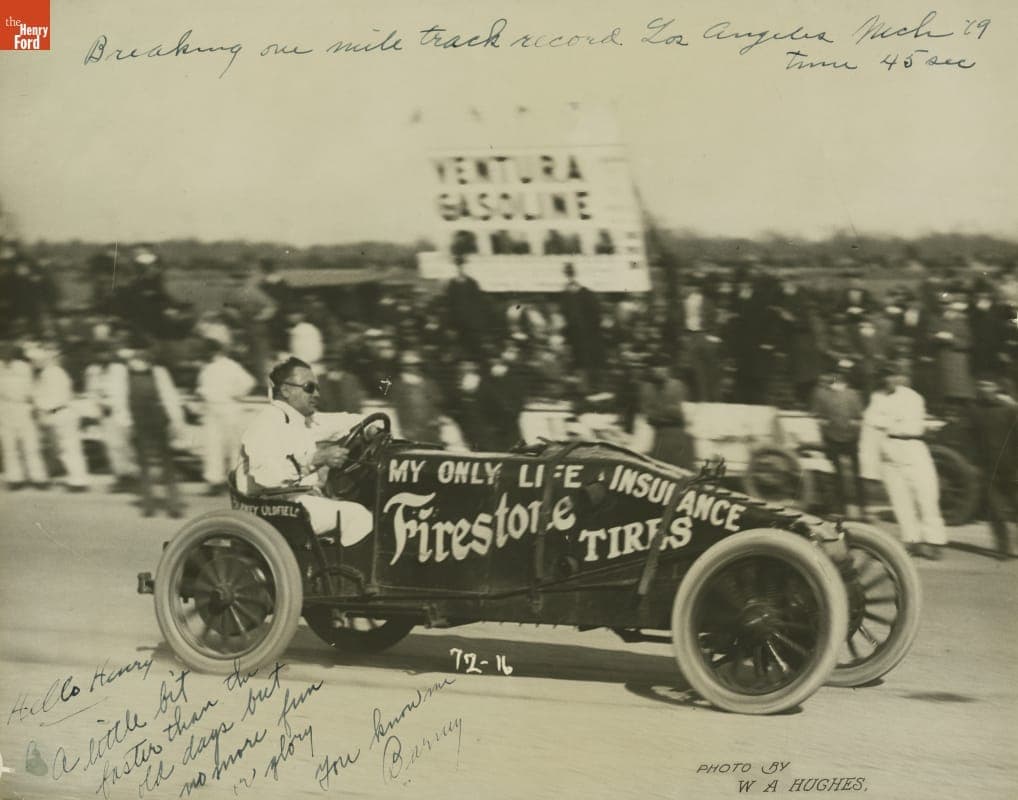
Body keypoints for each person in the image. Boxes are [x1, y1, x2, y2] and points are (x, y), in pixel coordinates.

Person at [235, 357, 373, 544]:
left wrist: (369, 426)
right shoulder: (267, 422)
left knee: (364, 505)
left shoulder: (301, 419)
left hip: (294, 502)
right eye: (309, 388)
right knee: (358, 515)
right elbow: (265, 476)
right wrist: (316, 459)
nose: (316, 394)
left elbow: (341, 421)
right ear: (285, 390)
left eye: (317, 388)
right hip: (273, 507)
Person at [863, 363, 947, 559]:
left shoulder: (913, 398)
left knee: (926, 496)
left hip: (913, 447)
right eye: (885, 376)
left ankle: (934, 541)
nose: (889, 380)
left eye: (892, 376)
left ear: (899, 377)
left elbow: (910, 424)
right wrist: (869, 470)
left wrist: (886, 422)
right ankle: (912, 540)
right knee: (900, 500)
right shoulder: (876, 399)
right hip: (890, 452)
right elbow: (870, 428)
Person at [126, 340, 186, 517]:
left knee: (166, 463)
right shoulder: (125, 375)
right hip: (138, 421)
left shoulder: (159, 373)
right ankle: (148, 504)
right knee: (144, 463)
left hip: (158, 420)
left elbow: (169, 397)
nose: (139, 361)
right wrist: (127, 422)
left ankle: (173, 504)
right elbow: (122, 399)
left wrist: (176, 420)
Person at [196, 341, 256, 495]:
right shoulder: (220, 367)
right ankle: (225, 481)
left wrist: (235, 394)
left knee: (223, 446)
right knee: (223, 447)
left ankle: (225, 482)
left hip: (223, 408)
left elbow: (249, 382)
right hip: (221, 408)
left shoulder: (221, 367)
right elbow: (248, 383)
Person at [968, 379, 1018, 559]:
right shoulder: (975, 411)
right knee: (996, 511)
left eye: (988, 385)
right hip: (988, 468)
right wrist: (974, 462)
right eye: (980, 385)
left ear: (996, 387)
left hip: (1010, 467)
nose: (984, 389)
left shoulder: (1009, 410)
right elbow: (971, 437)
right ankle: (1003, 549)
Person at [810, 368, 867, 518]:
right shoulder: (822, 394)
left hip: (851, 439)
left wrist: (854, 427)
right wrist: (826, 426)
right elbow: (817, 416)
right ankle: (840, 510)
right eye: (836, 375)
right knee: (837, 475)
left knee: (856, 475)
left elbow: (859, 417)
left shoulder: (853, 394)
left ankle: (862, 509)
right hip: (831, 439)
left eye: (842, 375)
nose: (838, 378)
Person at [34, 346, 90, 492]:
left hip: (62, 412)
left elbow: (53, 397)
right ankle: (75, 478)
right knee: (65, 449)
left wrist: (40, 406)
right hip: (57, 413)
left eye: (38, 360)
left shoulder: (53, 373)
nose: (35, 363)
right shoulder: (50, 373)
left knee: (69, 447)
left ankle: (78, 481)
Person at [0, 341, 49, 489]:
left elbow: (31, 390)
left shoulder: (24, 368)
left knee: (30, 445)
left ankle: (38, 478)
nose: (5, 355)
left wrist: (34, 407)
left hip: (23, 407)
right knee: (9, 446)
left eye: (9, 352)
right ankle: (15, 479)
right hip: (5, 408)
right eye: (3, 352)